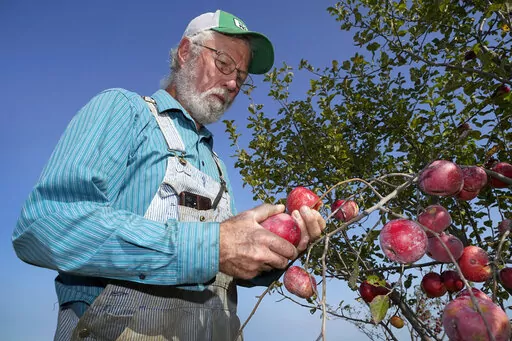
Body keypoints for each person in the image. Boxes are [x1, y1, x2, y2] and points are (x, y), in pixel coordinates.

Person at [13, 10, 326, 341]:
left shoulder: (216, 164)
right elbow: (44, 226)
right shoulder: (126, 112)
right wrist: (212, 247)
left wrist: (274, 250)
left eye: (242, 77)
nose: (234, 83)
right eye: (223, 64)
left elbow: (225, 268)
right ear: (185, 52)